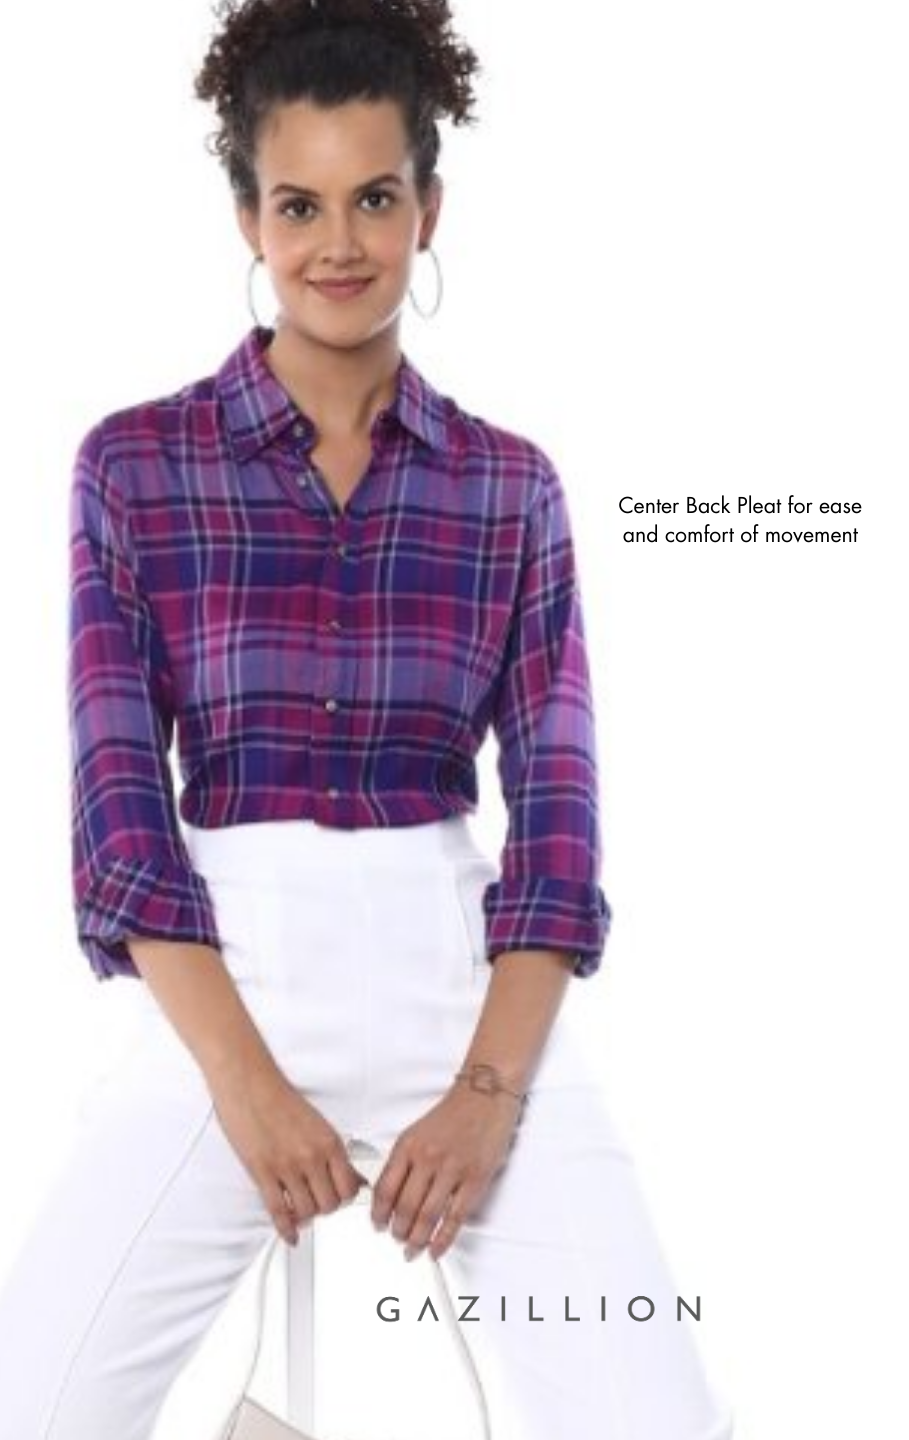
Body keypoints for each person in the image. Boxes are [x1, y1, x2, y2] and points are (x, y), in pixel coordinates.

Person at [0, 1, 736, 1436]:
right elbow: (120, 818)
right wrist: (246, 1089)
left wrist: (488, 1096)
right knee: (34, 1402)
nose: (338, 244)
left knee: (657, 1416)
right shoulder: (135, 468)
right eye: (299, 205)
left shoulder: (509, 488)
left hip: (463, 1000)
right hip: (222, 993)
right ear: (248, 218)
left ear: (428, 207)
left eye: (376, 199)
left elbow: (559, 830)